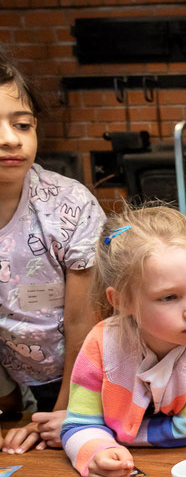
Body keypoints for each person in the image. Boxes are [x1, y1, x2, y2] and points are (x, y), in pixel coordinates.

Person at [60, 206, 186, 477]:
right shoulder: (101, 342)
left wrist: (111, 436)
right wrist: (97, 453)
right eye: (170, 297)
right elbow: (80, 424)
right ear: (120, 301)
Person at [0, 53, 104, 454]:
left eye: (22, 124)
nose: (11, 139)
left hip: (80, 375)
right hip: (13, 376)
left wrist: (65, 412)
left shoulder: (67, 204)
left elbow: (83, 321)